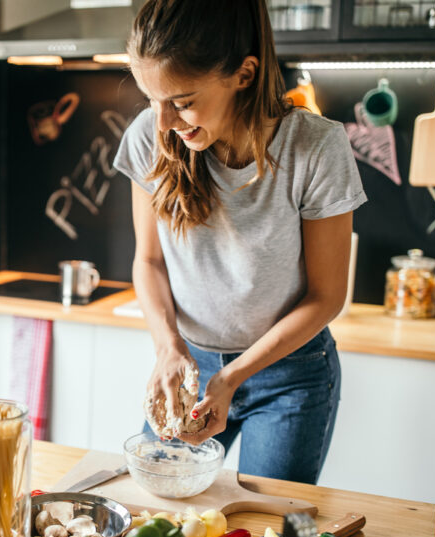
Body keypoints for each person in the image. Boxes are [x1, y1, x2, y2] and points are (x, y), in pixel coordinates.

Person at [113, 0, 366, 485]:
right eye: (151, 99)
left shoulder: (314, 148)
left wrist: (231, 378)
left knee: (266, 533)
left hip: (291, 376)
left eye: (182, 101)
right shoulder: (150, 136)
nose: (162, 121)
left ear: (245, 74)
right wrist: (168, 348)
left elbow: (326, 297)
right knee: (159, 509)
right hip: (188, 362)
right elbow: (148, 261)